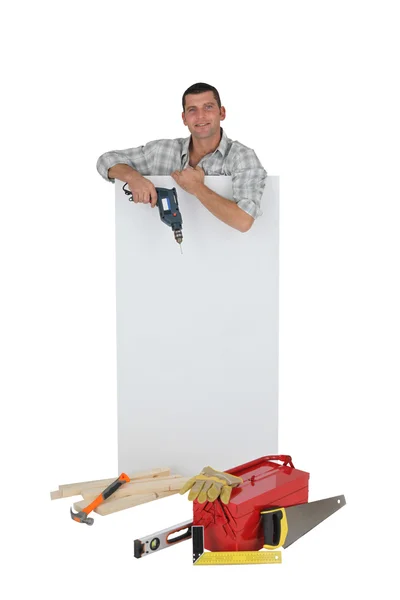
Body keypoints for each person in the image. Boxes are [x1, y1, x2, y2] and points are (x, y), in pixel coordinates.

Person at [96, 83, 267, 232]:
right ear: (184, 118)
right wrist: (133, 178)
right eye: (192, 110)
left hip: (227, 261)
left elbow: (244, 221)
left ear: (222, 113)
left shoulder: (242, 157)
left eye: (208, 107)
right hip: (160, 258)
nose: (200, 116)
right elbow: (106, 160)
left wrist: (197, 188)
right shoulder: (162, 150)